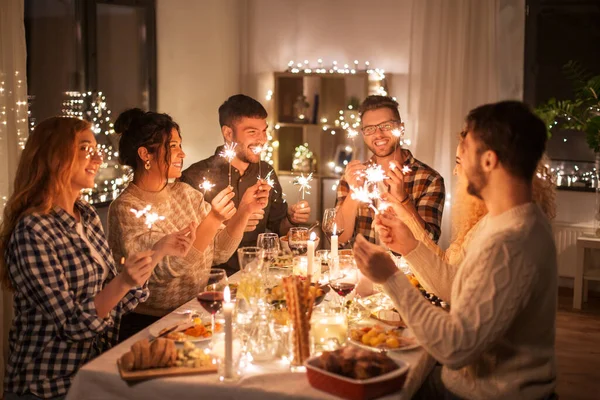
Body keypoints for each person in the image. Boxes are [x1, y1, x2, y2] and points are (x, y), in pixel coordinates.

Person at [354, 101, 557, 400]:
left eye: (464, 154)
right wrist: (408, 245)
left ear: (488, 161)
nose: (456, 165)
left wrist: (391, 278)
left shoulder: (510, 244)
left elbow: (455, 349)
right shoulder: (507, 219)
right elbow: (453, 287)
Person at [0, 117, 154, 400]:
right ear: (55, 156)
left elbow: (111, 298)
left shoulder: (87, 215)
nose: (98, 157)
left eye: (97, 148)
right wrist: (123, 282)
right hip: (46, 386)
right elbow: (73, 325)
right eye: (86, 148)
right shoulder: (33, 230)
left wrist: (157, 254)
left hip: (93, 373)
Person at [108, 109, 268, 340]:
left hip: (193, 314)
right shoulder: (126, 207)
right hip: (150, 327)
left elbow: (220, 252)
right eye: (172, 146)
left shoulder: (185, 193)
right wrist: (213, 219)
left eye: (180, 145)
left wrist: (244, 211)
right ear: (145, 154)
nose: (182, 153)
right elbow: (166, 269)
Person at [387, 141, 556, 301]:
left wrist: (406, 246)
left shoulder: (505, 226)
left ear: (488, 165)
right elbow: (447, 265)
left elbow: (453, 288)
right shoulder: (492, 217)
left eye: (459, 162)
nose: (455, 171)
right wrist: (403, 211)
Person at [180, 94, 310, 275]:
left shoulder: (266, 172)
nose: (262, 139)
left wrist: (291, 219)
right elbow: (187, 249)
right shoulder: (195, 177)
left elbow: (277, 228)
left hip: (260, 274)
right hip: (213, 281)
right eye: (252, 132)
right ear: (228, 133)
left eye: (264, 131)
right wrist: (233, 223)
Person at [335, 95, 445, 245]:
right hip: (361, 267)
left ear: (401, 128)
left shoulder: (429, 179)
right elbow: (339, 239)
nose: (378, 134)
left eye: (386, 126)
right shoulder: (353, 177)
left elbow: (429, 242)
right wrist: (354, 192)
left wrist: (403, 199)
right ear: (363, 134)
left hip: (407, 268)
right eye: (370, 129)